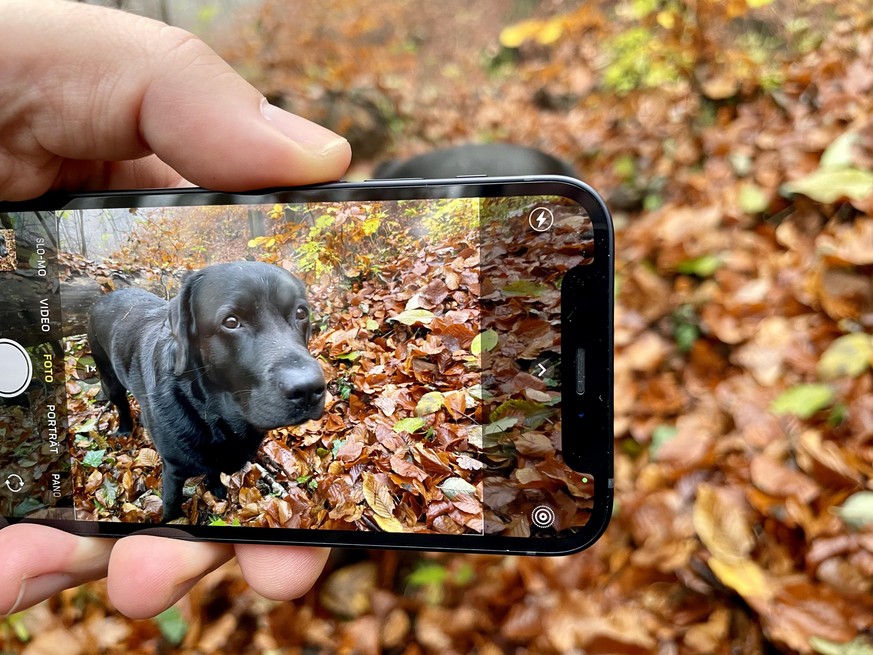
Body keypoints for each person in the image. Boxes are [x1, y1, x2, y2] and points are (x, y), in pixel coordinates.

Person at [0, 0, 351, 618]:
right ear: (188, 336)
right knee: (146, 429)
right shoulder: (169, 391)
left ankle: (216, 475)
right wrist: (170, 501)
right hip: (128, 354)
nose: (305, 371)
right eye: (235, 321)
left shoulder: (262, 367)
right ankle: (162, 485)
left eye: (295, 318)